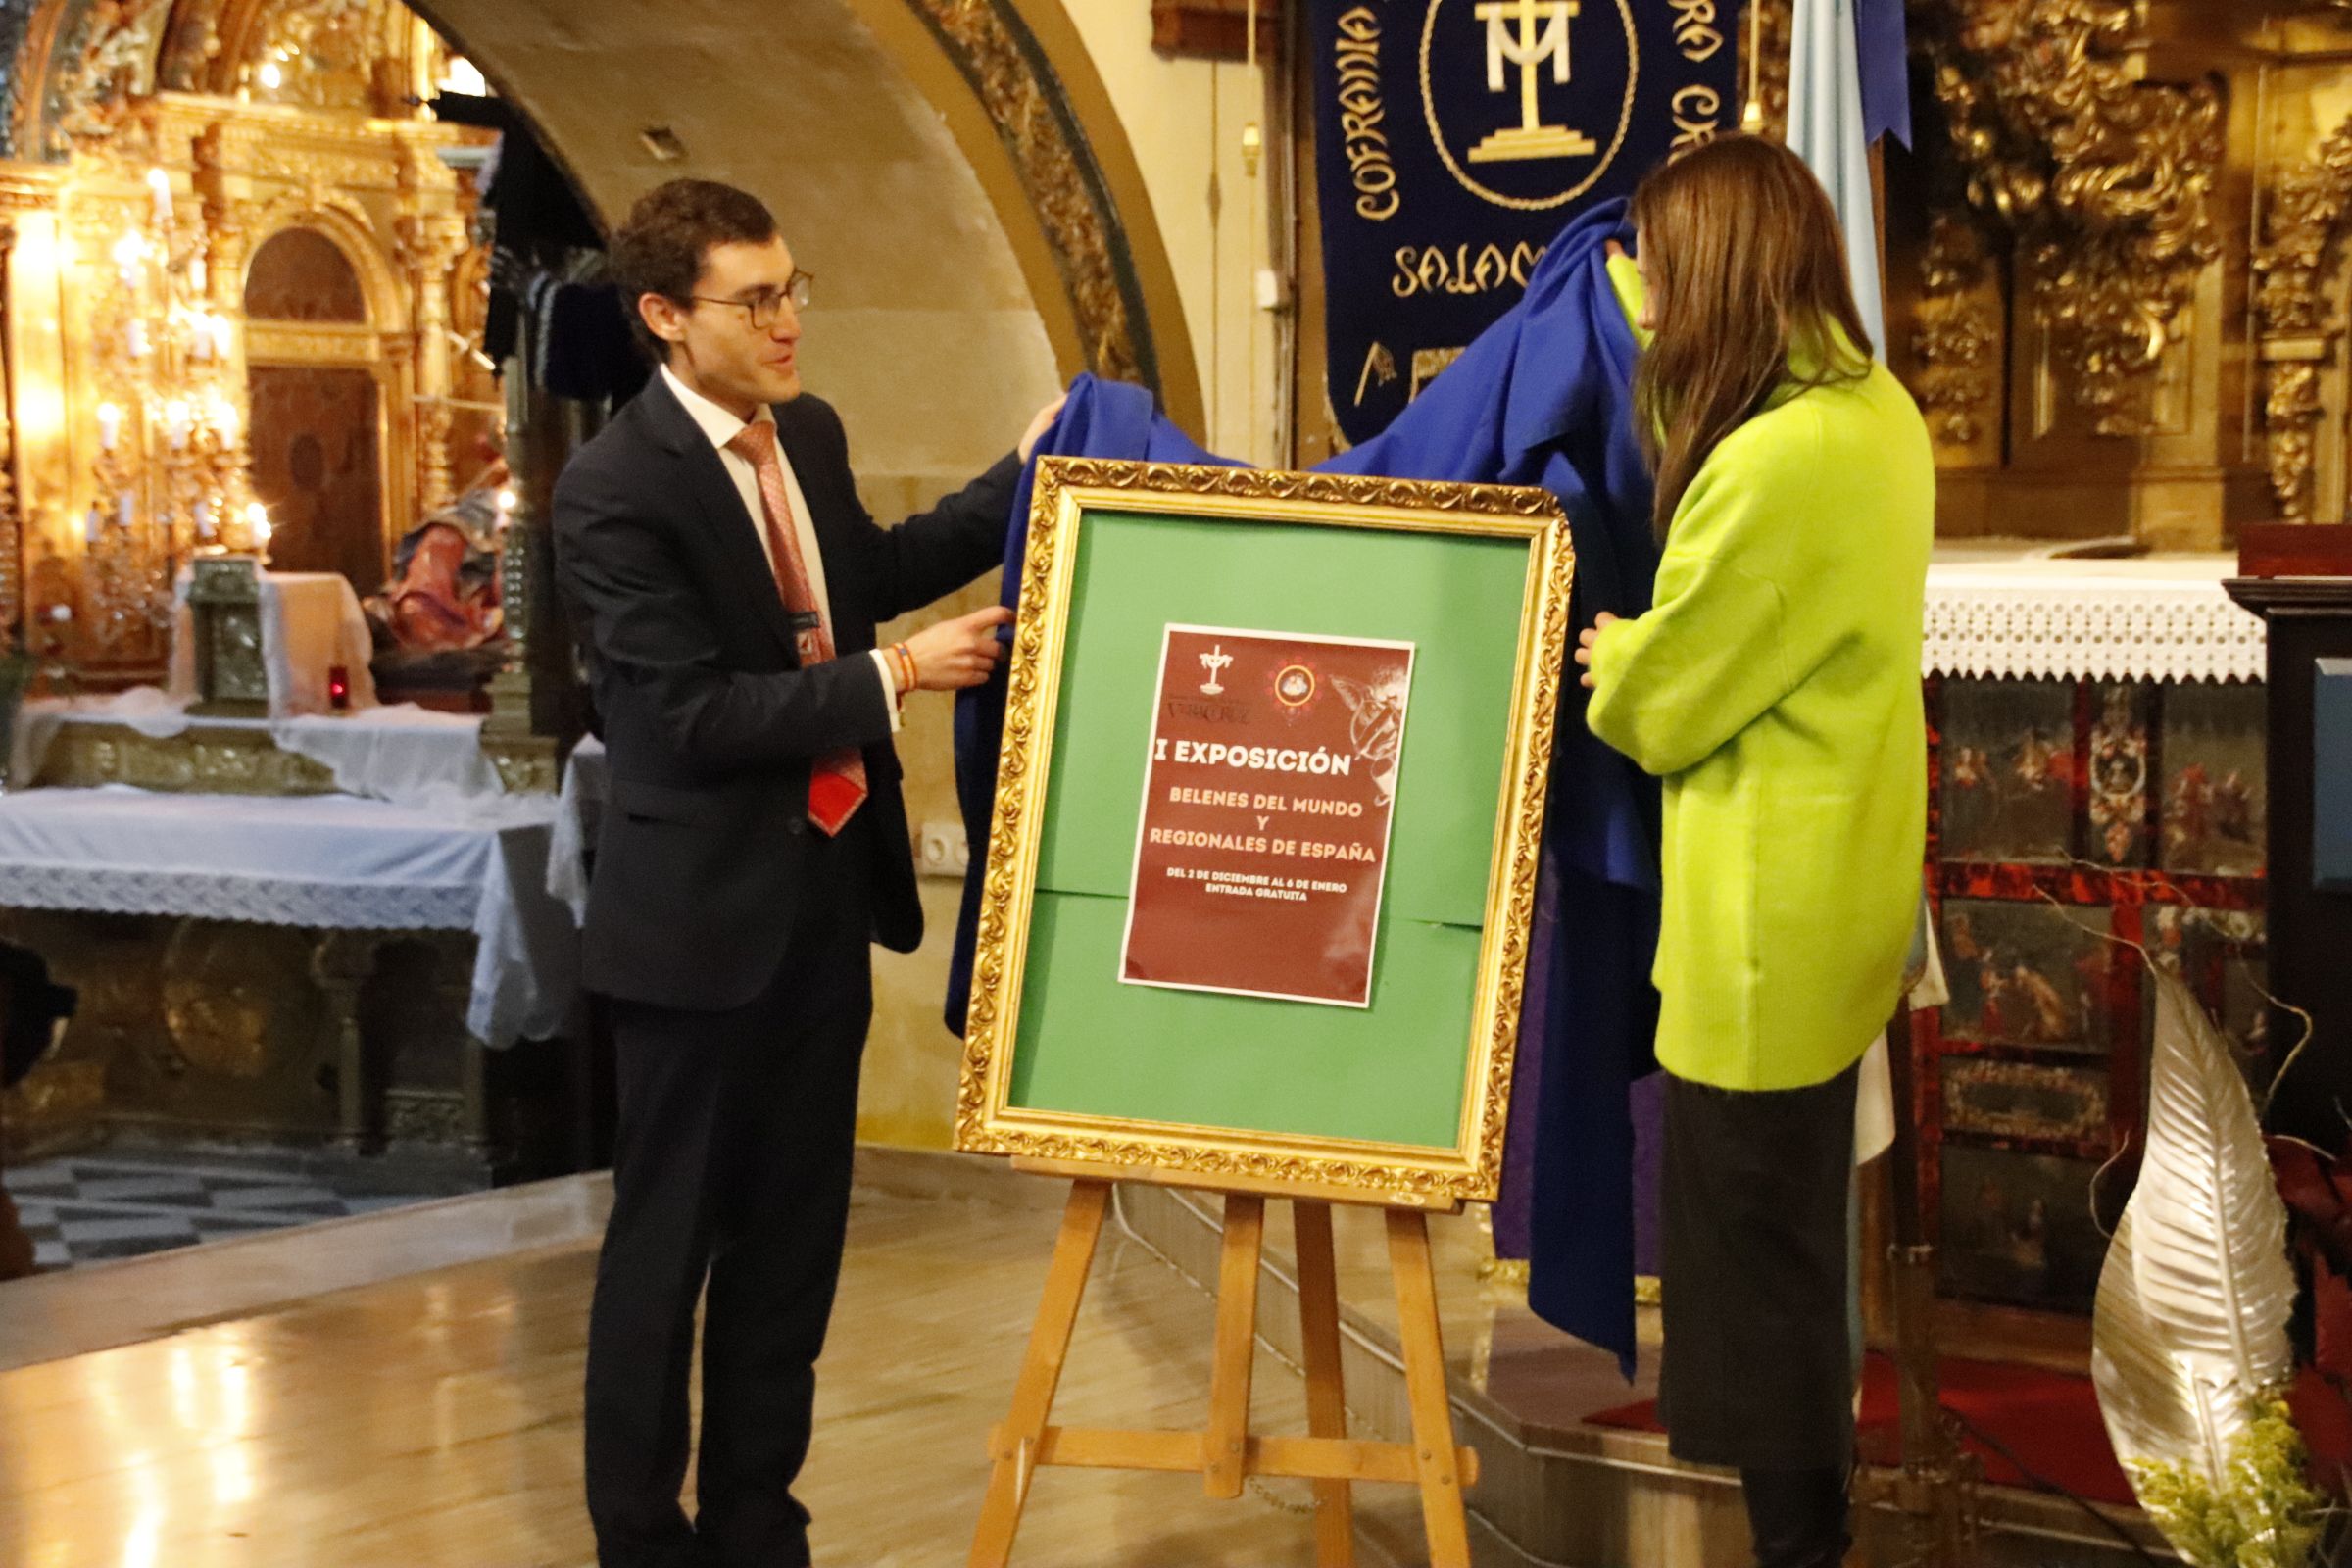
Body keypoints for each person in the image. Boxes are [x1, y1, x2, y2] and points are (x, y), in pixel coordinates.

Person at [554, 177, 1062, 1568]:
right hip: (696, 930)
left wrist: (1020, 480)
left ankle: (757, 1523)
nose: (787, 323)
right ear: (667, 316)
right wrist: (895, 676)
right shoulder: (613, 486)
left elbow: (869, 570)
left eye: (793, 289)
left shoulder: (809, 436)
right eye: (754, 299)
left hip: (823, 906)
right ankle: (642, 1538)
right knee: (669, 1255)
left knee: (791, 1252)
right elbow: (688, 717)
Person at [1574, 135, 1934, 1568]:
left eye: (1663, 276)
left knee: (1760, 1291)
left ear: (1720, 274)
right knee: (1797, 1267)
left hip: (1761, 932)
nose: (1648, 307)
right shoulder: (1879, 412)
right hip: (1838, 891)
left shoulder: (1779, 458)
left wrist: (1617, 655)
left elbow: (1667, 703)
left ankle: (1801, 1555)